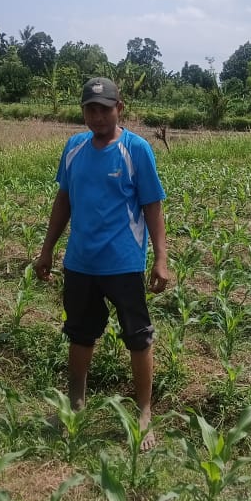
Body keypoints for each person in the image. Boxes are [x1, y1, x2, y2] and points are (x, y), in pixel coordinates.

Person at [34, 76, 171, 450]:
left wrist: (160, 258)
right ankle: (75, 403)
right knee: (79, 334)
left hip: (123, 263)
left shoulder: (136, 149)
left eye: (103, 109)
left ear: (119, 109)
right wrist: (47, 249)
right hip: (80, 262)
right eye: (90, 109)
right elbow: (63, 200)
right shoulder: (74, 147)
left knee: (138, 337)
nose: (96, 116)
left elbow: (152, 205)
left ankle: (144, 412)